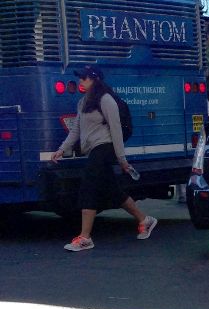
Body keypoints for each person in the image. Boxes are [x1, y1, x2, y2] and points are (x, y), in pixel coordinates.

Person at [50, 65, 157, 251]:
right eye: (80, 77)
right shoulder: (83, 102)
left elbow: (116, 130)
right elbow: (76, 130)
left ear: (95, 79)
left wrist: (122, 159)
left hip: (104, 148)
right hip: (94, 149)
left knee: (88, 188)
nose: (80, 81)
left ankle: (85, 238)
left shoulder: (106, 100)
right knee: (113, 191)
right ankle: (144, 220)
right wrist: (62, 149)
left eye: (84, 77)